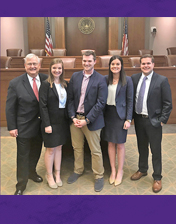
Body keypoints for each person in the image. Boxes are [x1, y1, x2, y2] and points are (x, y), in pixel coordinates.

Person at [6, 53, 48, 195]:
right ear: (25, 66)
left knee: (36, 151)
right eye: (29, 64)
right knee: (23, 156)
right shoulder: (15, 83)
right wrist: (12, 127)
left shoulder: (45, 79)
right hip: (23, 126)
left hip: (40, 126)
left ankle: (32, 172)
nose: (32, 66)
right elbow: (10, 107)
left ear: (39, 66)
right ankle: (21, 184)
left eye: (35, 64)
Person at [130, 55, 172, 193]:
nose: (145, 66)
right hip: (139, 119)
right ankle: (142, 170)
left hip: (153, 121)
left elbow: (167, 103)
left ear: (153, 64)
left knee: (155, 150)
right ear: (140, 65)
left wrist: (162, 120)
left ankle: (157, 177)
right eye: (143, 63)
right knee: (142, 147)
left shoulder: (162, 80)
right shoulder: (134, 78)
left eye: (148, 63)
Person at [67, 50, 107, 192]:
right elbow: (70, 99)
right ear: (81, 61)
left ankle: (98, 176)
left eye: (89, 61)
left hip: (92, 120)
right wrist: (73, 117)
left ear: (95, 61)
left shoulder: (101, 79)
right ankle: (78, 170)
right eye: (84, 61)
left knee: (95, 150)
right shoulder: (75, 76)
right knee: (77, 148)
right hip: (75, 119)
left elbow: (101, 103)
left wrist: (87, 120)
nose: (87, 63)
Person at [102, 55, 133, 186]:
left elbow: (130, 101)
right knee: (110, 144)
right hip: (107, 115)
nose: (115, 66)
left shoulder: (127, 80)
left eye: (117, 64)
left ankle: (120, 171)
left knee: (120, 144)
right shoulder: (105, 79)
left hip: (120, 116)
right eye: (113, 64)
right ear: (109, 66)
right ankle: (113, 171)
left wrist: (128, 119)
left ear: (121, 66)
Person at [39, 58, 69, 189]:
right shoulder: (46, 84)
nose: (57, 70)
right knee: (50, 149)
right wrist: (47, 124)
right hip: (50, 123)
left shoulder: (65, 84)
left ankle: (57, 174)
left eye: (59, 68)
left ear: (62, 70)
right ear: (50, 69)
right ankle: (49, 174)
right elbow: (43, 106)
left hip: (62, 122)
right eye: (55, 68)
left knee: (59, 148)